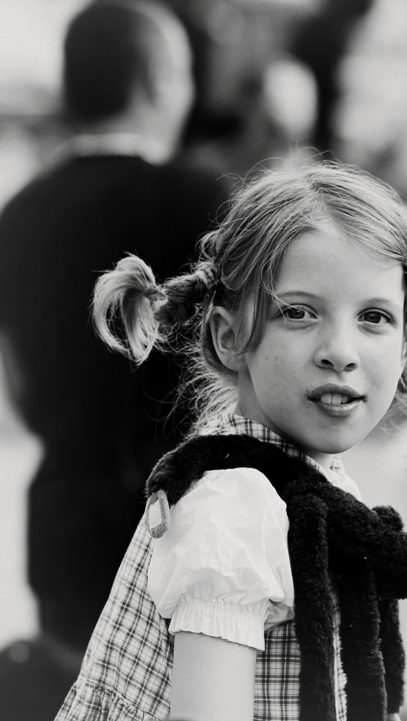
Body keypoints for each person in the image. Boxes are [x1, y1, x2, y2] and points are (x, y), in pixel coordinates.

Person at [54, 161, 407, 721]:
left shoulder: (311, 486)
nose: (340, 351)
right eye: (299, 313)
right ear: (230, 337)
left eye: (373, 317)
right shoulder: (234, 506)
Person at [0, 0, 228, 708]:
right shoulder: (198, 203)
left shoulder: (19, 214)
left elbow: (16, 385)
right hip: (188, 533)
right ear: (159, 80)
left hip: (62, 527)